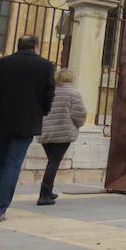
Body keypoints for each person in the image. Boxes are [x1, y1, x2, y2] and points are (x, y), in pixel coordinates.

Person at [0, 34, 55, 221]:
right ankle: (0, 208)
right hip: (27, 122)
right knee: (13, 164)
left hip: (1, 121)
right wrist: (42, 112)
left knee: (0, 161)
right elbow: (48, 94)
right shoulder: (45, 66)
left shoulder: (3, 63)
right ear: (35, 47)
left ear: (18, 46)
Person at [36, 68, 87, 205]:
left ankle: (49, 190)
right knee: (53, 162)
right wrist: (78, 124)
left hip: (46, 132)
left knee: (52, 160)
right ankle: (44, 194)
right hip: (63, 132)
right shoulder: (73, 93)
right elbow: (79, 114)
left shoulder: (50, 91)